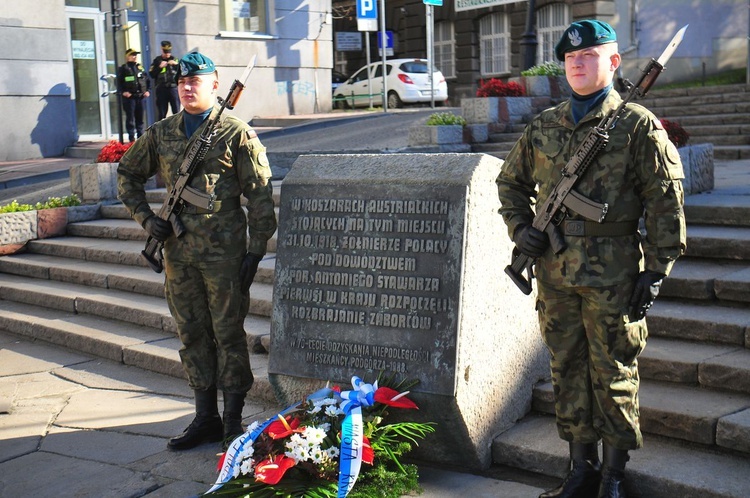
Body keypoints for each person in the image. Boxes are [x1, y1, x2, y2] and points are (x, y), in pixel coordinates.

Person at [496, 20, 686, 498]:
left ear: (613, 62)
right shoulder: (544, 125)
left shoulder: (636, 125)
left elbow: (665, 203)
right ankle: (579, 471)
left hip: (615, 273)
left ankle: (613, 477)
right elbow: (510, 184)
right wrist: (523, 231)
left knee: (614, 372)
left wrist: (656, 271)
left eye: (589, 55)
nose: (577, 64)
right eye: (570, 58)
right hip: (555, 272)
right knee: (567, 369)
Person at [117, 52, 277, 451]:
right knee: (191, 335)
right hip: (178, 253)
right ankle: (205, 417)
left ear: (214, 84)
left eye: (196, 81)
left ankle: (233, 422)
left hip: (224, 255)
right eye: (182, 83)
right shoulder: (162, 132)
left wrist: (255, 252)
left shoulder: (234, 132)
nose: (188, 88)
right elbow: (128, 174)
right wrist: (145, 218)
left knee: (228, 335)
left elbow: (259, 197)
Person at [117, 48, 150, 142]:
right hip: (130, 98)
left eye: (136, 55)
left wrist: (147, 90)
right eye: (132, 55)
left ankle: (140, 139)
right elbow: (118, 82)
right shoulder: (123, 68)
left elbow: (147, 80)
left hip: (140, 97)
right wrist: (123, 92)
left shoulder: (140, 68)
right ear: (127, 57)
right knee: (130, 118)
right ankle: (131, 138)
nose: (135, 57)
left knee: (140, 119)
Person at [149, 40, 180, 120]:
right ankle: (161, 131)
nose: (167, 54)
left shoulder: (175, 59)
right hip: (161, 89)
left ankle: (177, 130)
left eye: (169, 52)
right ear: (162, 50)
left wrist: (176, 65)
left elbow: (183, 72)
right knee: (162, 112)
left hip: (173, 88)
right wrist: (159, 67)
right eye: (165, 52)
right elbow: (151, 74)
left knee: (177, 112)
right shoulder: (157, 60)